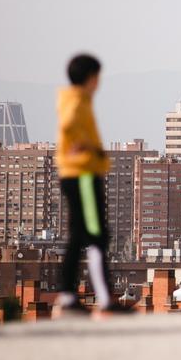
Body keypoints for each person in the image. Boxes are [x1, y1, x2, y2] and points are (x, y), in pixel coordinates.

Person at [54, 53, 117, 316]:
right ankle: (106, 301)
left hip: (75, 174)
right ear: (91, 77)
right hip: (82, 175)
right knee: (97, 236)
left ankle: (68, 297)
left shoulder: (75, 99)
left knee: (78, 237)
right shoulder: (78, 101)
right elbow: (69, 123)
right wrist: (86, 147)